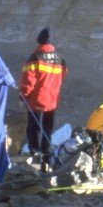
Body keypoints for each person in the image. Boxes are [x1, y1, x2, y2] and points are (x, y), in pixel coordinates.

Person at [20, 27, 68, 172]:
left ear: (40, 41)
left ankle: (35, 152)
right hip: (52, 99)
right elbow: (63, 74)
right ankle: (46, 153)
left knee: (34, 126)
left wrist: (24, 96)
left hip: (36, 99)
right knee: (48, 126)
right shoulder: (60, 58)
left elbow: (28, 80)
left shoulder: (36, 57)